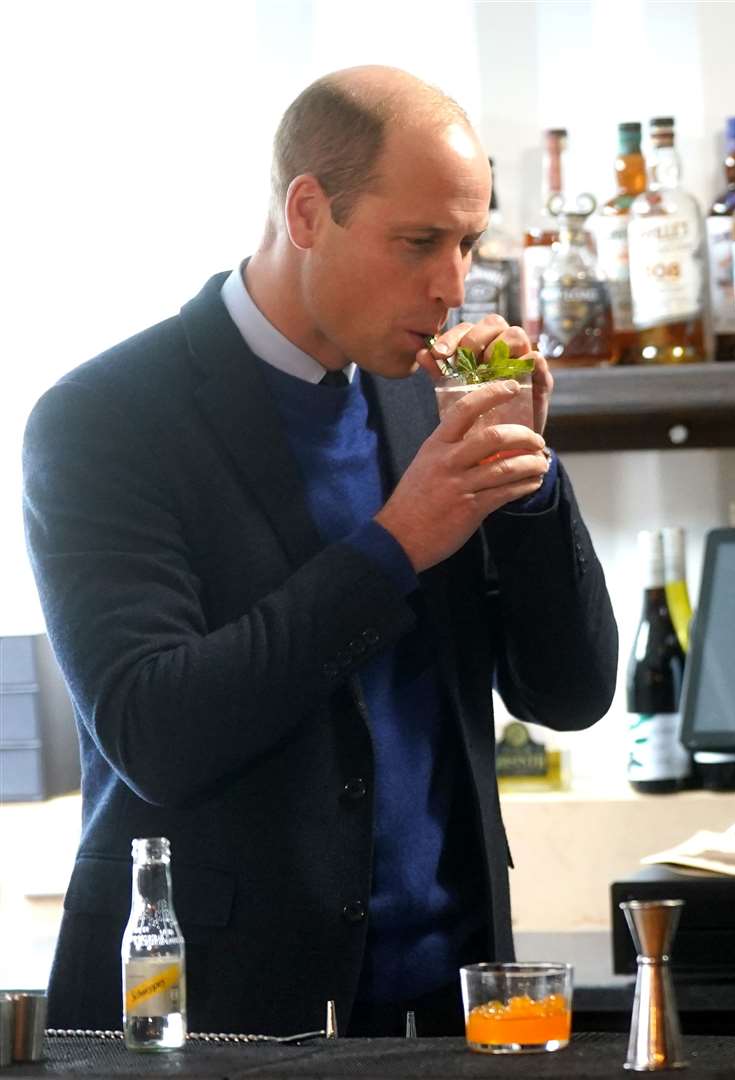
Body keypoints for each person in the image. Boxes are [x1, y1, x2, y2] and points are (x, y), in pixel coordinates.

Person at [22, 67, 617, 1037]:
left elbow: (571, 695)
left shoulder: (426, 394)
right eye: (418, 242)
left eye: (467, 242)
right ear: (306, 210)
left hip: (457, 1002)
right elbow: (155, 731)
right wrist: (396, 545)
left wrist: (528, 487)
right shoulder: (101, 418)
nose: (451, 284)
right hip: (216, 1015)